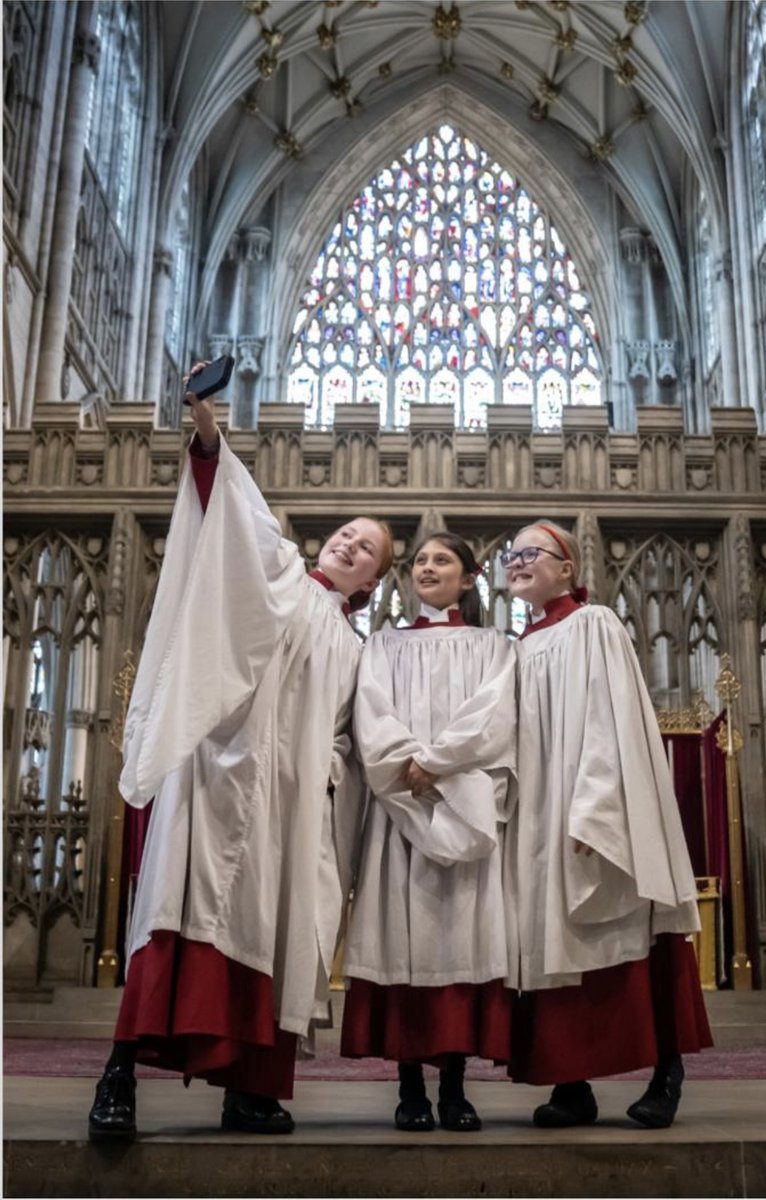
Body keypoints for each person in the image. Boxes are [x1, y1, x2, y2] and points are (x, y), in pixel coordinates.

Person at [88, 367, 394, 1141]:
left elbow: (354, 741)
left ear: (372, 584)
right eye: (349, 532)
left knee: (268, 931)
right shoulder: (280, 570)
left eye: (368, 548)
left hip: (288, 807)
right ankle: (118, 1078)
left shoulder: (357, 647)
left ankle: (249, 1090)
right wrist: (205, 427)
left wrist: (324, 781)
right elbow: (231, 501)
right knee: (174, 909)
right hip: (218, 769)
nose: (352, 543)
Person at [503, 520, 712, 1129]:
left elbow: (609, 719)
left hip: (589, 807)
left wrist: (594, 807)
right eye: (510, 555)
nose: (516, 562)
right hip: (538, 818)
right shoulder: (521, 644)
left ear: (567, 567)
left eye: (530, 553)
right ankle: (572, 1085)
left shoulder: (592, 625)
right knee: (556, 936)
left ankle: (666, 1070)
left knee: (627, 924)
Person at [340, 532, 517, 1132]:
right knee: (403, 942)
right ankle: (410, 1087)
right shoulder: (382, 645)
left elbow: (494, 716)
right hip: (399, 812)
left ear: (469, 579)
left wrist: (436, 765)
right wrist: (407, 769)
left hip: (461, 805)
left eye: (442, 560)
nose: (427, 568)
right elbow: (372, 716)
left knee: (459, 942)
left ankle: (456, 1087)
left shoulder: (494, 645)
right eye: (419, 561)